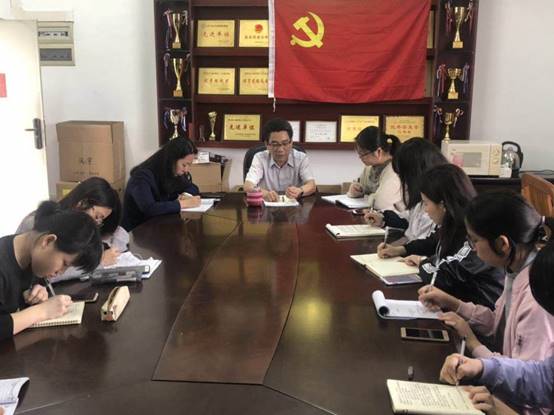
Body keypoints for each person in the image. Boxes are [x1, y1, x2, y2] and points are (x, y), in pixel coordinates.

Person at [439, 217, 554, 414]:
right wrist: (483, 367)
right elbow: (543, 379)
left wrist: (502, 411)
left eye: (475, 240)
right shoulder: (518, 276)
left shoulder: (535, 303)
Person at [379, 164, 504, 309]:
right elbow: (433, 242)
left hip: (480, 313)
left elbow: (441, 277)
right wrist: (400, 249)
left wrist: (423, 262)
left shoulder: (474, 234)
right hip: (460, 305)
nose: (425, 210)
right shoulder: (451, 224)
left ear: (443, 205)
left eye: (426, 203)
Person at [0, 201, 102, 340]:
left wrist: (36, 296)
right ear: (48, 241)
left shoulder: (34, 262)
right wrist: (42, 311)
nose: (60, 272)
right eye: (64, 264)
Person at [17, 176, 125, 266]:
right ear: (82, 203)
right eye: (97, 216)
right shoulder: (38, 223)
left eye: (101, 220)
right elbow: (48, 270)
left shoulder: (78, 226)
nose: (96, 223)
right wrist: (100, 262)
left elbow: (120, 234)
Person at [365, 137, 448, 242]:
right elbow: (408, 219)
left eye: (404, 177)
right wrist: (383, 218)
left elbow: (425, 243)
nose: (404, 184)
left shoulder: (437, 207)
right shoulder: (421, 200)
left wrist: (401, 248)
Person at [122, 137, 201, 231]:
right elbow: (149, 209)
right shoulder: (141, 177)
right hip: (138, 232)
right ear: (171, 160)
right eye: (184, 165)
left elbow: (192, 187)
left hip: (160, 226)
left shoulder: (172, 172)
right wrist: (183, 204)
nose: (186, 170)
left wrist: (186, 195)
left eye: (189, 165)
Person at [244, 118, 316, 202]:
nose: (280, 149)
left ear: (291, 142)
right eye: (275, 144)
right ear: (267, 144)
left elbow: (311, 185)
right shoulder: (260, 158)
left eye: (285, 143)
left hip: (294, 207)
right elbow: (248, 186)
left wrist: (300, 190)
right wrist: (266, 194)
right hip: (267, 207)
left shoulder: (301, 158)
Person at [346, 126, 402, 211]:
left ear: (378, 152)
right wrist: (354, 190)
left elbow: (379, 203)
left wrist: (365, 196)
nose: (360, 158)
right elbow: (360, 187)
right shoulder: (369, 168)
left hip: (396, 218)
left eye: (362, 154)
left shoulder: (394, 169)